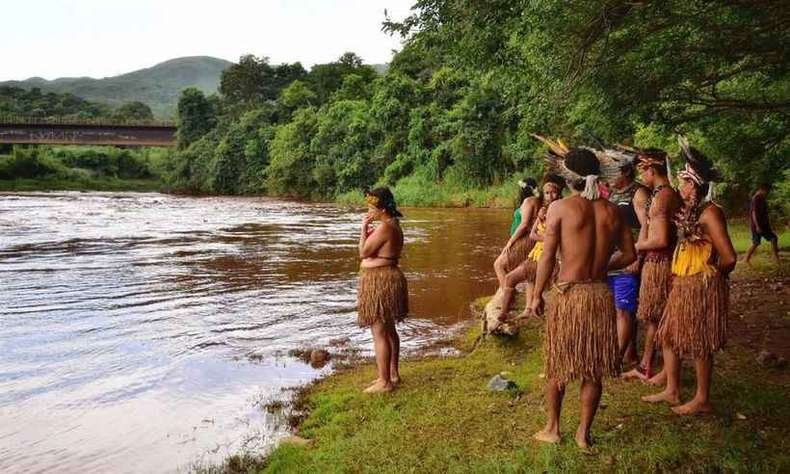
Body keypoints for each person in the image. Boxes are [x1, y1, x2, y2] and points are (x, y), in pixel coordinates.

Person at [529, 148, 637, 450]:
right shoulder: (613, 211)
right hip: (599, 294)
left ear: (570, 178)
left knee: (559, 363)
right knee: (593, 367)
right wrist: (603, 265)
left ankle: (552, 428)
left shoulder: (561, 208)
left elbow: (548, 256)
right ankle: (583, 434)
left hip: (569, 294)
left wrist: (536, 294)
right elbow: (630, 255)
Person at [643, 140, 736, 414]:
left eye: (684, 182)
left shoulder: (711, 213)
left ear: (695, 185)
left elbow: (729, 257)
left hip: (701, 284)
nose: (680, 187)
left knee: (698, 341)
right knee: (669, 335)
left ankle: (702, 398)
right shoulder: (692, 212)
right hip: (682, 283)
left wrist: (713, 280)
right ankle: (672, 390)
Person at [622, 149, 681, 383]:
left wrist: (635, 248)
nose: (641, 176)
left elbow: (661, 239)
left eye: (641, 170)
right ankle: (650, 366)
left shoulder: (662, 196)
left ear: (651, 169)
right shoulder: (665, 193)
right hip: (659, 262)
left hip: (661, 262)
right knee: (655, 317)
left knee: (657, 317)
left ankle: (649, 367)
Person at [491, 175, 563, 328]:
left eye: (554, 192)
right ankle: (507, 314)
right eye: (547, 193)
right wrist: (546, 236)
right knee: (519, 278)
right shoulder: (542, 209)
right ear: (542, 193)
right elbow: (532, 234)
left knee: (504, 267)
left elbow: (526, 226)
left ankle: (526, 307)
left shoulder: (561, 209)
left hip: (551, 256)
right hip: (536, 253)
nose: (550, 196)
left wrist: (511, 242)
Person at [357, 187, 408, 394]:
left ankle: (384, 381)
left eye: (372, 208)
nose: (370, 211)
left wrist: (363, 229)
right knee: (389, 330)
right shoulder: (391, 225)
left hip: (381, 280)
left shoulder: (385, 227)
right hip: (387, 277)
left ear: (383, 209)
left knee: (379, 331)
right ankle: (392, 374)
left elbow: (364, 252)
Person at [607, 160, 649, 367]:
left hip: (628, 259)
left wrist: (638, 256)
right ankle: (629, 353)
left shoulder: (638, 193)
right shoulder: (613, 193)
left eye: (611, 172)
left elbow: (646, 225)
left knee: (624, 309)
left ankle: (616, 359)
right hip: (612, 260)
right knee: (620, 309)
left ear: (624, 172)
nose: (608, 177)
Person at [493, 177, 540, 289]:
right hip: (525, 239)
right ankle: (508, 291)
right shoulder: (536, 200)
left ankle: (505, 294)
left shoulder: (529, 201)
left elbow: (524, 225)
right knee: (511, 268)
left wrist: (510, 241)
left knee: (498, 265)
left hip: (523, 240)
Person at [744, 184, 780, 264]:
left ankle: (776, 257)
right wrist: (757, 226)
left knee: (774, 238)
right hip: (757, 226)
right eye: (766, 191)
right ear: (761, 190)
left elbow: (764, 213)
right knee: (756, 243)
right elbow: (754, 213)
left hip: (764, 225)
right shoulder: (756, 199)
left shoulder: (762, 199)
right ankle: (746, 259)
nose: (766, 193)